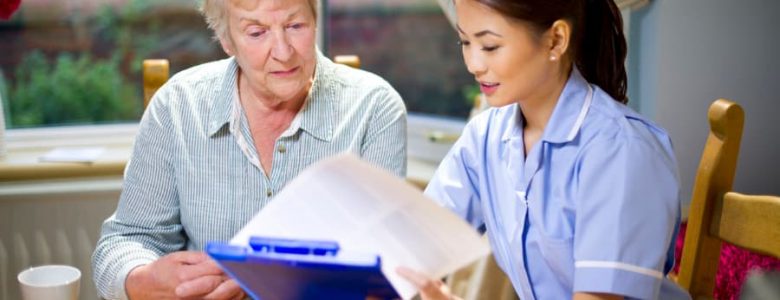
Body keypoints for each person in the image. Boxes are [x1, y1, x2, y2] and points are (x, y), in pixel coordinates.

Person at [91, 0, 407, 298]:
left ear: (315, 19)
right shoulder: (178, 106)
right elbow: (126, 241)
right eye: (257, 33)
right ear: (227, 41)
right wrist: (142, 280)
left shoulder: (374, 109)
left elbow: (386, 265)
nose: (283, 52)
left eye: (295, 25)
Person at [397, 0, 689, 299]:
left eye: (489, 46)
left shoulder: (621, 150)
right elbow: (418, 240)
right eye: (465, 42)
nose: (473, 64)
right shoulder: (484, 137)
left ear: (556, 40)